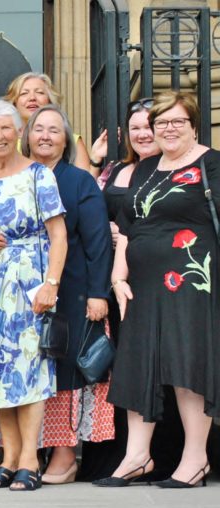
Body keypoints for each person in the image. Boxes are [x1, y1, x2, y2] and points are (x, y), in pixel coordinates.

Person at [97, 91, 220, 489]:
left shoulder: (211, 163)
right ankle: (137, 456)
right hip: (140, 283)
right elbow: (128, 228)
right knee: (138, 363)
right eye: (161, 123)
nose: (167, 129)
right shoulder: (148, 167)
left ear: (194, 125)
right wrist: (118, 278)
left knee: (186, 365)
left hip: (191, 277)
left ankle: (195, 458)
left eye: (176, 122)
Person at [0, 100, 67, 491]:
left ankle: (29, 460)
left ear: (19, 132)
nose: (0, 136)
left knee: (29, 371)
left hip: (28, 286)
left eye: (7, 129)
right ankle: (8, 458)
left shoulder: (39, 175)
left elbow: (58, 235)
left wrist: (51, 283)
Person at [81, 98, 183, 482]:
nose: (144, 133)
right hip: (114, 278)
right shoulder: (115, 169)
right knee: (124, 366)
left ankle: (169, 458)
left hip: (160, 276)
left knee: (168, 365)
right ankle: (125, 455)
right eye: (136, 126)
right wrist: (93, 163)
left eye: (150, 125)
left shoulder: (177, 168)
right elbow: (84, 206)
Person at [20, 105, 113, 485]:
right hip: (18, 294)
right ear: (27, 135)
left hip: (71, 292)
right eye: (38, 128)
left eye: (54, 130)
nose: (45, 135)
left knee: (64, 371)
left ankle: (63, 454)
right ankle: (23, 453)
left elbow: (97, 241)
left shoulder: (79, 181)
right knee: (26, 371)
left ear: (66, 139)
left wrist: (97, 293)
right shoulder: (14, 176)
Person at [4, 72, 92, 174]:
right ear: (14, 102)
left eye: (40, 92)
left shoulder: (72, 141)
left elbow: (87, 184)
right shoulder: (4, 142)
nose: (32, 98)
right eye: (24, 93)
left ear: (50, 100)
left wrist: (95, 162)